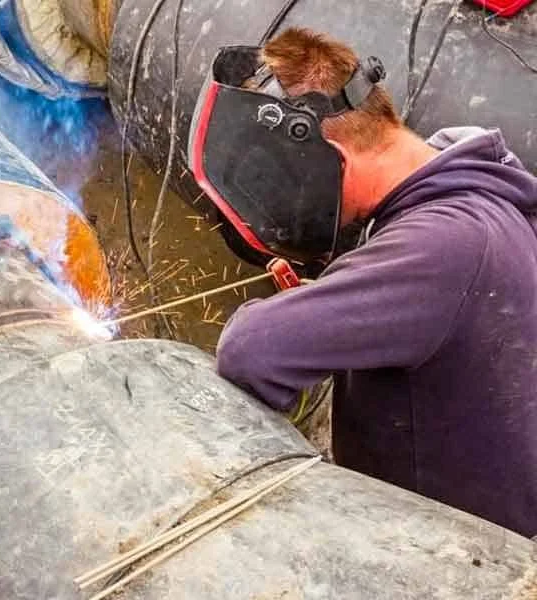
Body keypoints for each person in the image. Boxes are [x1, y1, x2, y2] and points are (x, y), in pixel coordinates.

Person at [190, 27, 537, 538]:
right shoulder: (480, 196)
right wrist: (333, 307)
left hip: (453, 558)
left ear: (316, 155)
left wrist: (299, 318)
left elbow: (251, 349)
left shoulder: (446, 244)